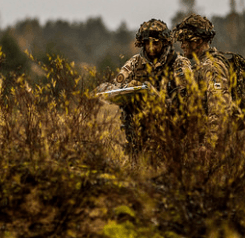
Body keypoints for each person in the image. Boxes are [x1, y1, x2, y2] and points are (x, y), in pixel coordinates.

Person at [98, 19, 191, 157]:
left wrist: (156, 95)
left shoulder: (179, 63)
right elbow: (113, 85)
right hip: (140, 131)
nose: (151, 48)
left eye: (156, 43)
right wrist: (123, 88)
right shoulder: (135, 62)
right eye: (147, 43)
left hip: (172, 128)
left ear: (165, 42)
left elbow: (187, 98)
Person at [172, 14, 232, 144]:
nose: (181, 46)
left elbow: (219, 110)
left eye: (184, 41)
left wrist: (209, 146)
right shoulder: (201, 67)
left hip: (213, 149)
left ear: (197, 41)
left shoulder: (212, 67)